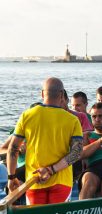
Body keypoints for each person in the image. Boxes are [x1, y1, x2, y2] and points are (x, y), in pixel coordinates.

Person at [6, 77, 83, 205]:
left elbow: (12, 148)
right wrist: (51, 170)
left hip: (34, 180)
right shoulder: (72, 120)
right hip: (61, 181)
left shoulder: (27, 115)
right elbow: (77, 152)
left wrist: (11, 177)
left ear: (42, 94)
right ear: (62, 95)